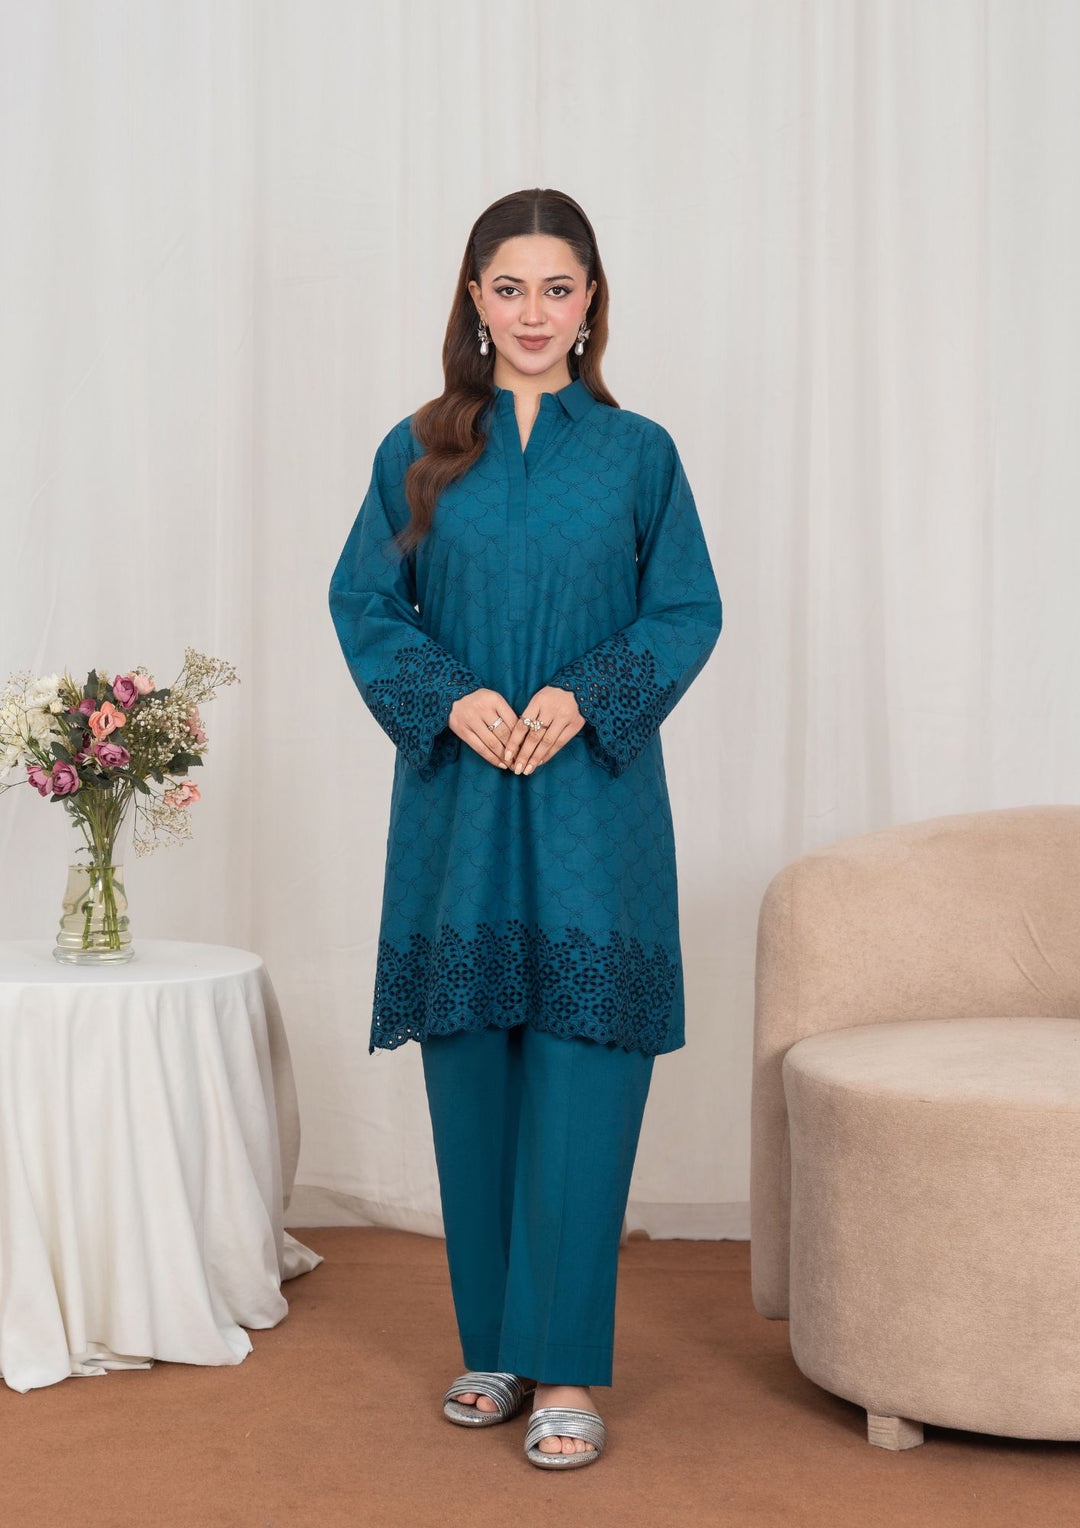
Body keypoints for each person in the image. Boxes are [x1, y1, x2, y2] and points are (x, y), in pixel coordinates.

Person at [329, 188, 721, 1470]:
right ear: (474, 299)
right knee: (472, 1065)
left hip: (595, 800)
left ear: (591, 300)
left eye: (558, 288)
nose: (534, 313)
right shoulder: (417, 448)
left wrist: (585, 694)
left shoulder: (639, 454)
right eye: (510, 288)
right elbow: (364, 602)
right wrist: (450, 695)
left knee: (585, 1066)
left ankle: (566, 1366)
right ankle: (495, 1344)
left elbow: (686, 609)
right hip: (461, 798)